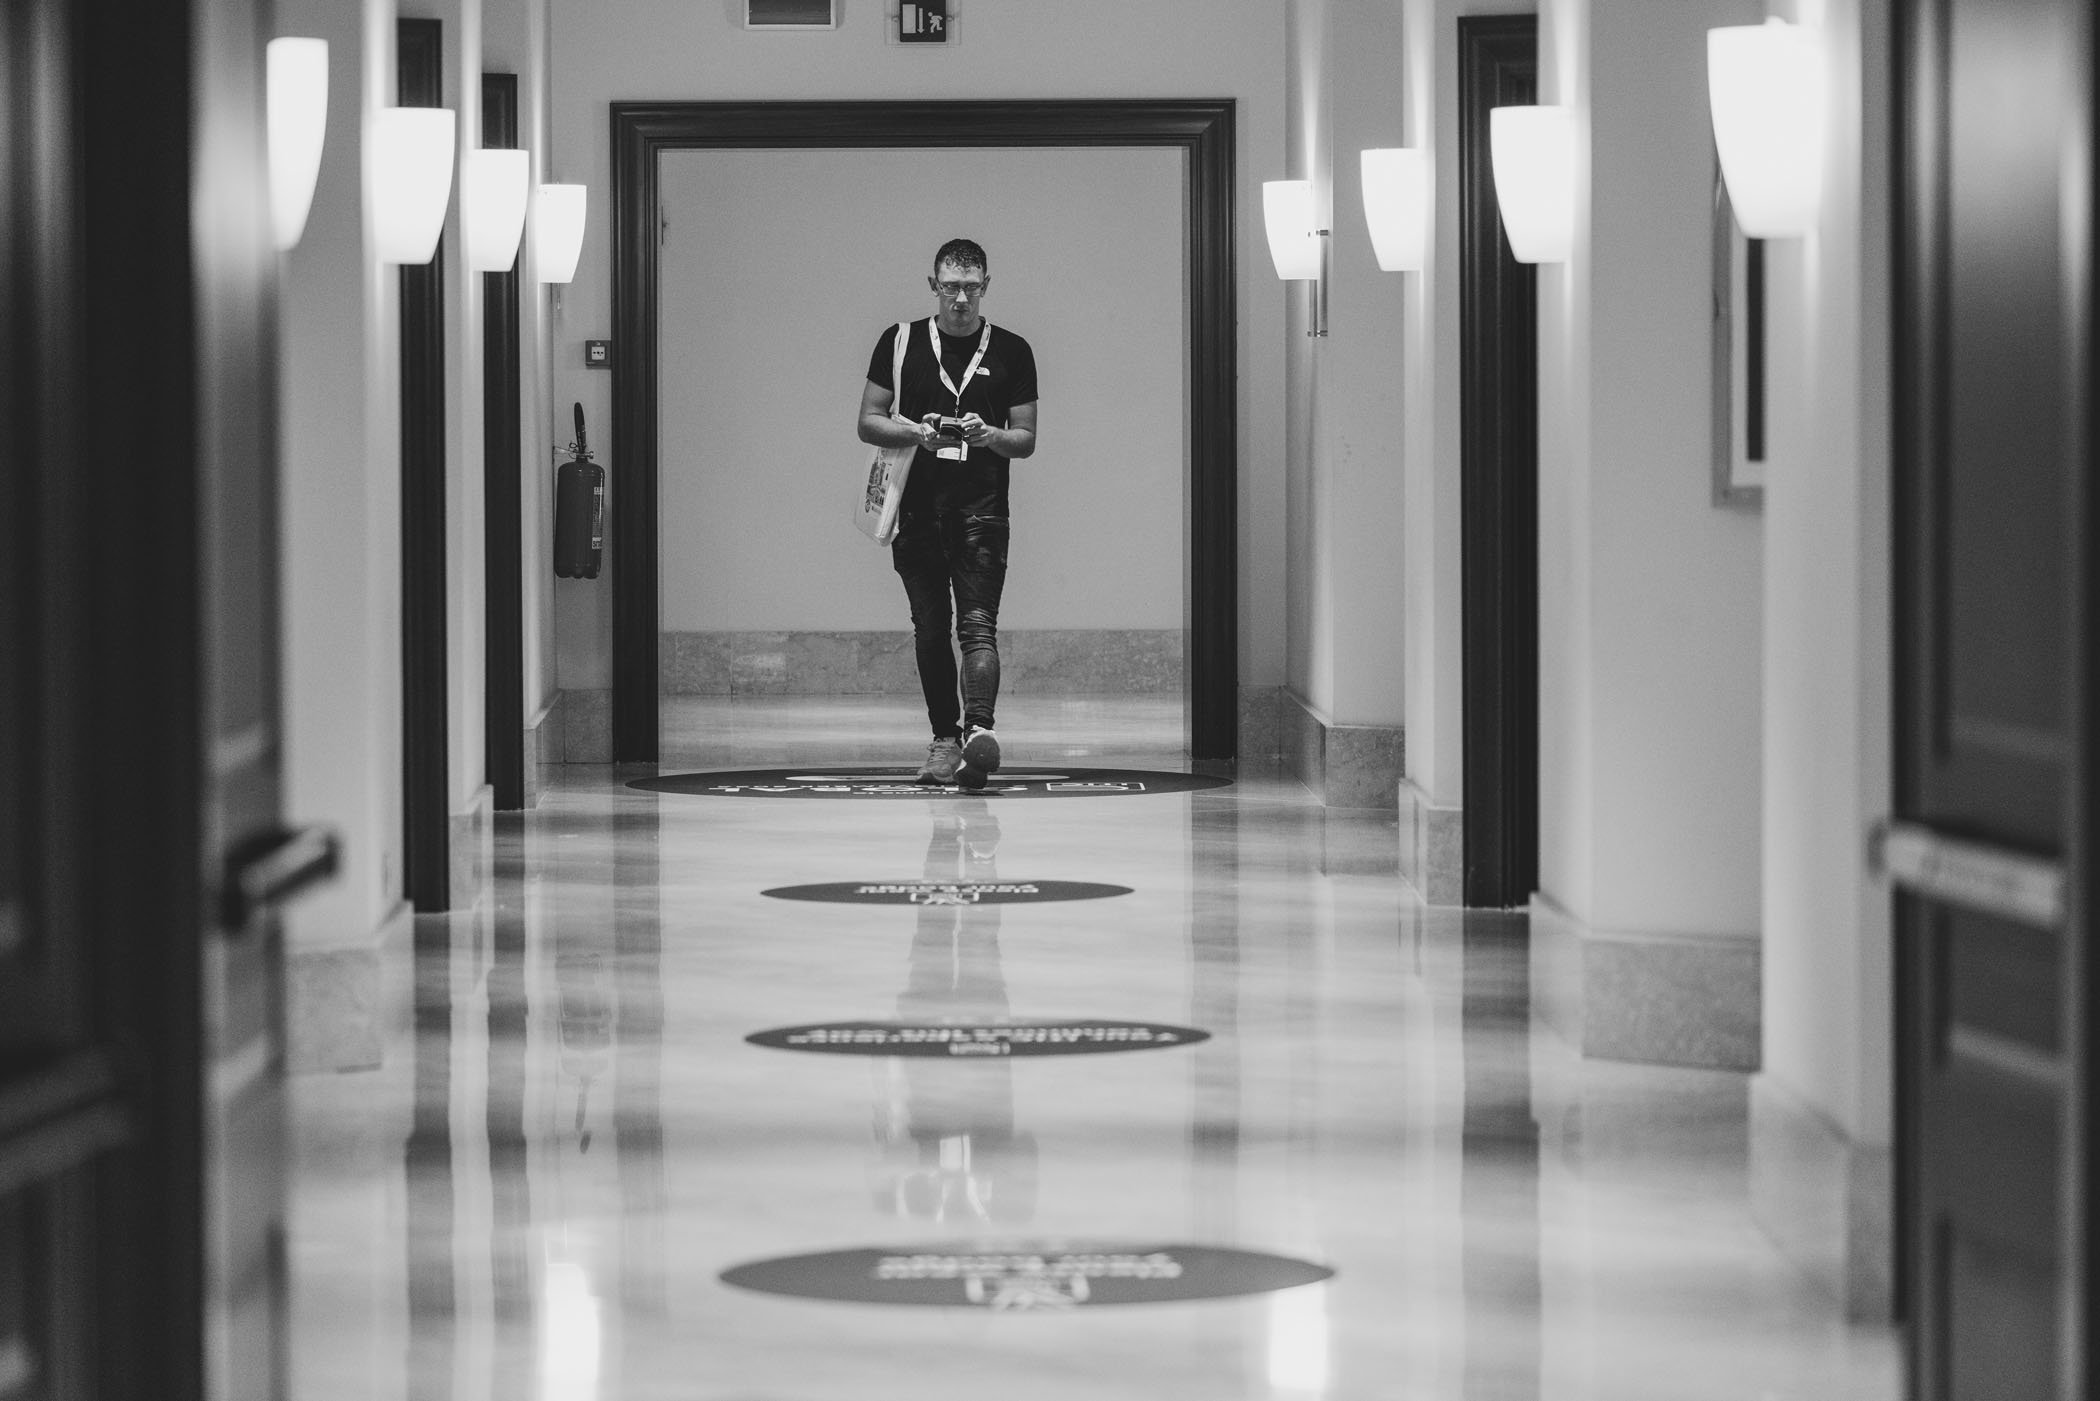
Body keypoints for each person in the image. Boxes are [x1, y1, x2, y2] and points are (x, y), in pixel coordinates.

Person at [857, 238, 1039, 790]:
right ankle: (945, 739)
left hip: (982, 511)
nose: (961, 297)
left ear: (987, 286)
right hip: (914, 512)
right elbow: (868, 420)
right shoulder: (901, 341)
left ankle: (980, 735)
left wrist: (989, 436)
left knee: (978, 627)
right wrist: (916, 431)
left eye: (971, 287)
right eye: (951, 286)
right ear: (933, 286)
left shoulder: (1012, 350)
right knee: (931, 631)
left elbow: (1025, 439)